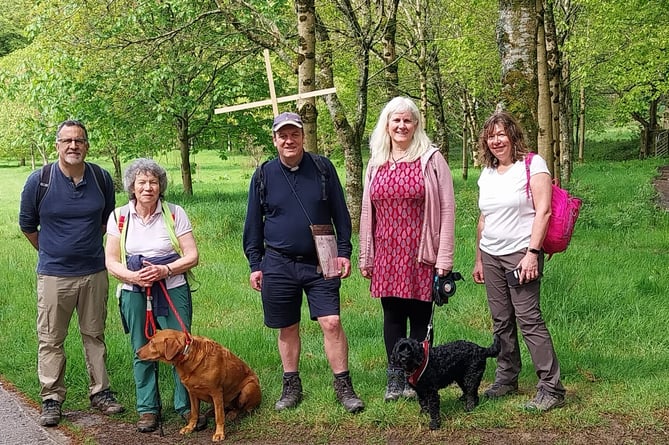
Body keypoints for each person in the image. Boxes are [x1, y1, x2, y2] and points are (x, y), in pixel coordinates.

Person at [243, 111, 364, 413]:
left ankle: (343, 386)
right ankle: (291, 385)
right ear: (274, 140)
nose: (289, 140)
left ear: (303, 136)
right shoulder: (263, 176)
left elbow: (341, 214)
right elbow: (253, 224)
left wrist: (344, 251)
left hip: (321, 260)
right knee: (287, 327)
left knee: (332, 322)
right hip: (278, 262)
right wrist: (255, 263)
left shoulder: (322, 169)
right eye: (282, 135)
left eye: (294, 134)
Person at [18, 119, 124, 427]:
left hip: (94, 271)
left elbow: (109, 221)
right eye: (67, 141)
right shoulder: (39, 180)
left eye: (79, 140)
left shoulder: (101, 178)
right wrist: (53, 251)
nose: (73, 146)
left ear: (87, 145)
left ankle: (101, 393)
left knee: (94, 334)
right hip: (54, 275)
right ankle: (52, 398)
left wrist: (83, 247)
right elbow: (27, 226)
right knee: (51, 338)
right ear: (57, 146)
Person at [358, 96, 456, 401]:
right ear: (386, 124)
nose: (401, 125)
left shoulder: (431, 158)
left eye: (408, 120)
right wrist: (366, 254)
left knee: (420, 316)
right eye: (396, 120)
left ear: (416, 125)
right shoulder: (376, 161)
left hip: (421, 251)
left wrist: (445, 257)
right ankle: (395, 378)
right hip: (387, 253)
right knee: (393, 316)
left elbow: (448, 208)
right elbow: (366, 211)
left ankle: (418, 377)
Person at [472, 110, 566, 412]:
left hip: (520, 254)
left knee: (529, 320)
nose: (496, 140)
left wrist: (532, 253)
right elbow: (484, 218)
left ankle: (551, 388)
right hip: (491, 255)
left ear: (513, 135)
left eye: (501, 134)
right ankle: (506, 378)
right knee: (501, 321)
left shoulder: (532, 164)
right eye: (491, 136)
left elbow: (544, 211)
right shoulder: (486, 173)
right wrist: (478, 258)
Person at [104, 158, 205, 433]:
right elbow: (111, 261)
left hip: (172, 288)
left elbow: (192, 255)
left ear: (160, 186)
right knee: (143, 349)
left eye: (153, 182)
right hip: (133, 291)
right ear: (132, 187)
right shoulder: (119, 217)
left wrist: (165, 269)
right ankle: (148, 409)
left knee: (182, 348)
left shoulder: (174, 213)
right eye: (141, 183)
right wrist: (133, 277)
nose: (148, 187)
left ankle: (186, 407)